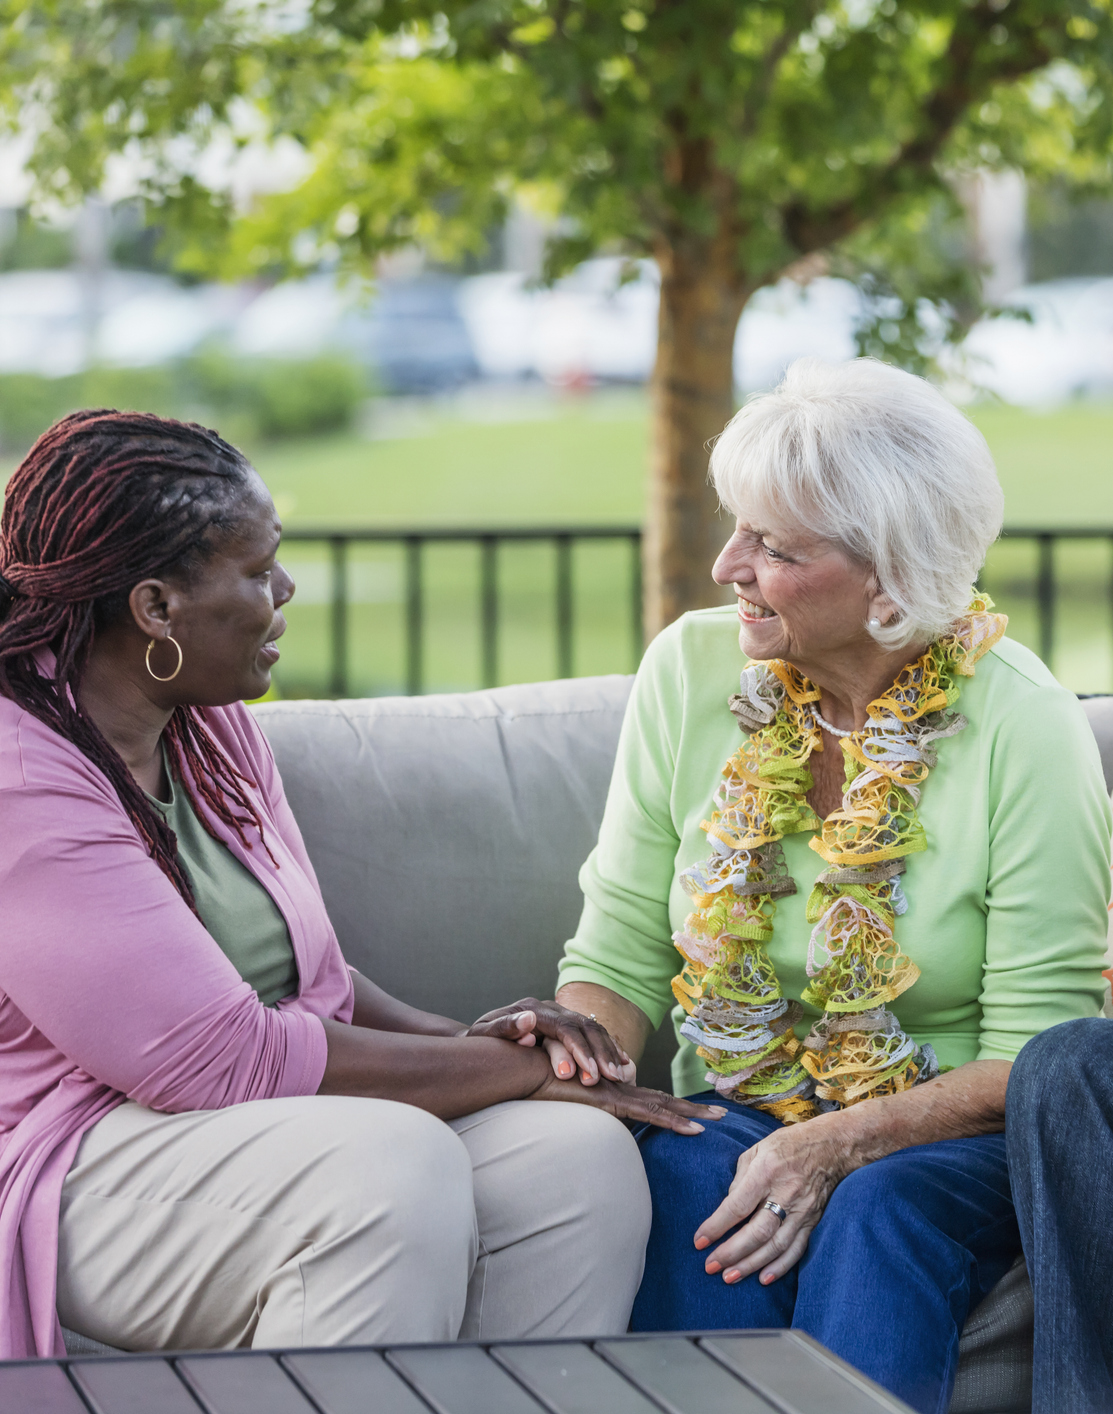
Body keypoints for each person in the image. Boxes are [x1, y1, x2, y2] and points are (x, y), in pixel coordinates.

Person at [0, 410, 718, 1362]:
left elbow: (318, 983)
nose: (285, 589)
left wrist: (479, 1038)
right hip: (72, 1159)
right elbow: (217, 1061)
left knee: (575, 1160)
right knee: (389, 1164)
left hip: (261, 1134)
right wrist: (517, 1071)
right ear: (154, 608)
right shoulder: (23, 775)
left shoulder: (210, 730)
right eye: (257, 572)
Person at [552, 357, 1111, 1414]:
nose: (727, 565)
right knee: (689, 1165)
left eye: (773, 547)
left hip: (953, 1136)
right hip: (737, 1097)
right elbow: (619, 942)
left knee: (876, 1207)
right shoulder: (690, 672)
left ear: (891, 580)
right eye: (736, 528)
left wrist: (835, 1140)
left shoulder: (1023, 722)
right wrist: (581, 1058)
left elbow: (1036, 1053)